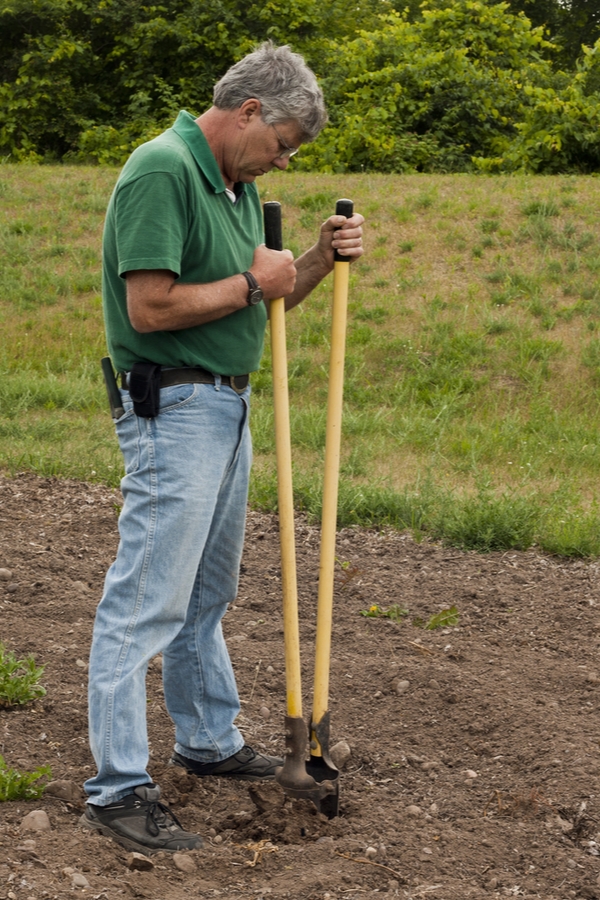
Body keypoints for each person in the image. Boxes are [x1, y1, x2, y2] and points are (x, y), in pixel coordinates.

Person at [81, 41, 364, 855]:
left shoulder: (234, 184)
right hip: (171, 405)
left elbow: (257, 305)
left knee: (207, 594)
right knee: (145, 603)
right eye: (282, 143)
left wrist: (312, 260)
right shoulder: (161, 170)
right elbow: (152, 308)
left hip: (227, 407)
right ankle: (117, 786)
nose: (283, 160)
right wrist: (252, 283)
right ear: (247, 112)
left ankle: (206, 741)